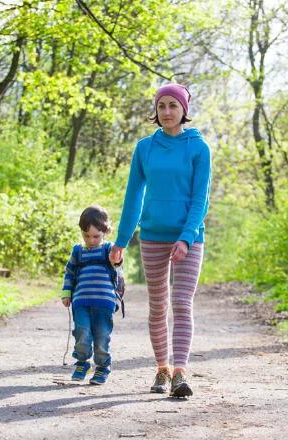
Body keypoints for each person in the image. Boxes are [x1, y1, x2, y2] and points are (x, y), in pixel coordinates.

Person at [110, 83, 211, 398]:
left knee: (181, 303)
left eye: (173, 106)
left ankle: (180, 371)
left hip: (189, 238)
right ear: (156, 110)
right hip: (152, 235)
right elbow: (133, 197)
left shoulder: (199, 148)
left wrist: (186, 237)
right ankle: (162, 369)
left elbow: (200, 199)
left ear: (184, 110)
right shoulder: (145, 148)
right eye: (161, 106)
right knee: (157, 306)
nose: (166, 112)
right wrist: (121, 241)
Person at [61, 205, 123, 385]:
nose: (91, 240)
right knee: (82, 332)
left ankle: (103, 366)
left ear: (105, 232)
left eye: (96, 236)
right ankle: (82, 363)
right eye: (86, 235)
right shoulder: (77, 251)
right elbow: (69, 273)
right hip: (80, 301)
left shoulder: (108, 250)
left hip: (104, 302)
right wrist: (67, 293)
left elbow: (118, 263)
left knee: (102, 335)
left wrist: (116, 258)